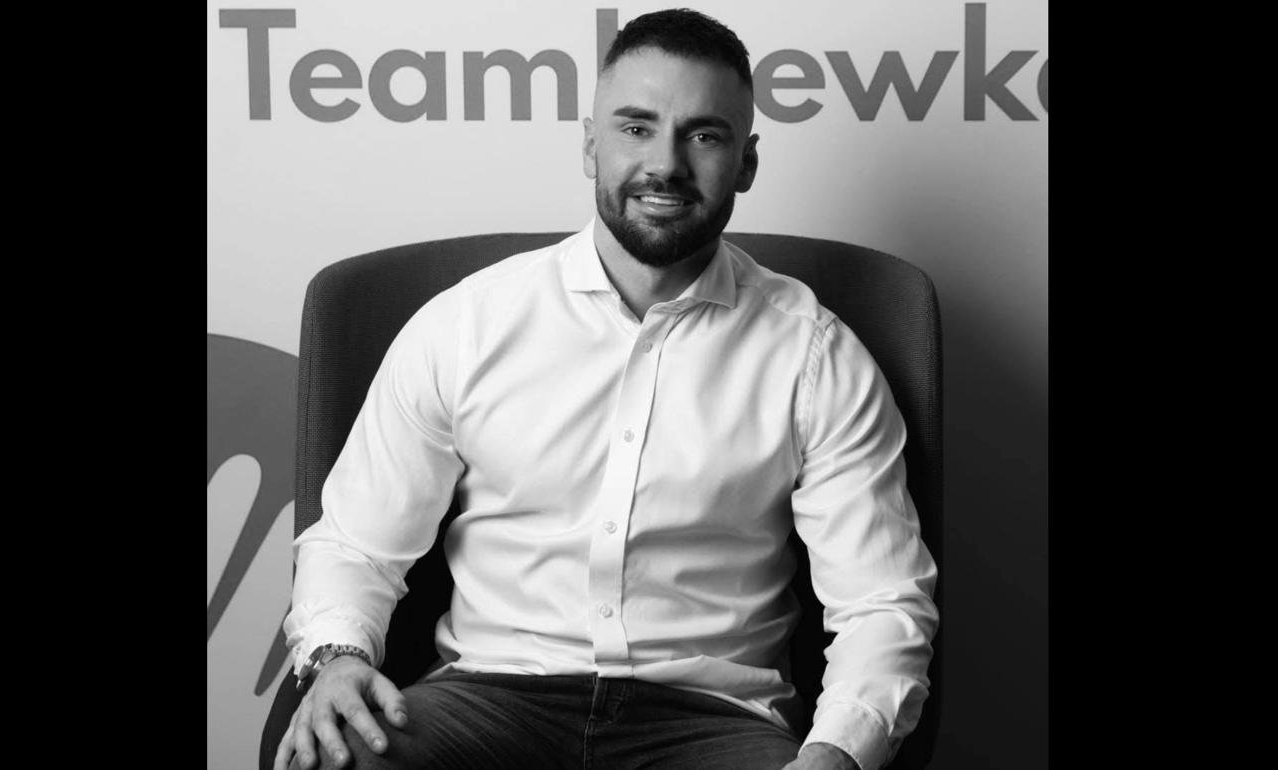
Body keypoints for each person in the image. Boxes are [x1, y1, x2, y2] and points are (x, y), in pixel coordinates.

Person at [273, 8, 937, 770]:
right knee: (335, 757)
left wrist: (836, 754)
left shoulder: (816, 356)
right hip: (487, 699)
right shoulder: (466, 325)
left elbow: (881, 602)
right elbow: (356, 544)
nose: (666, 164)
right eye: (636, 127)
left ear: (747, 163)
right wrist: (338, 660)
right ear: (591, 145)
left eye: (703, 135)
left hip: (710, 721)